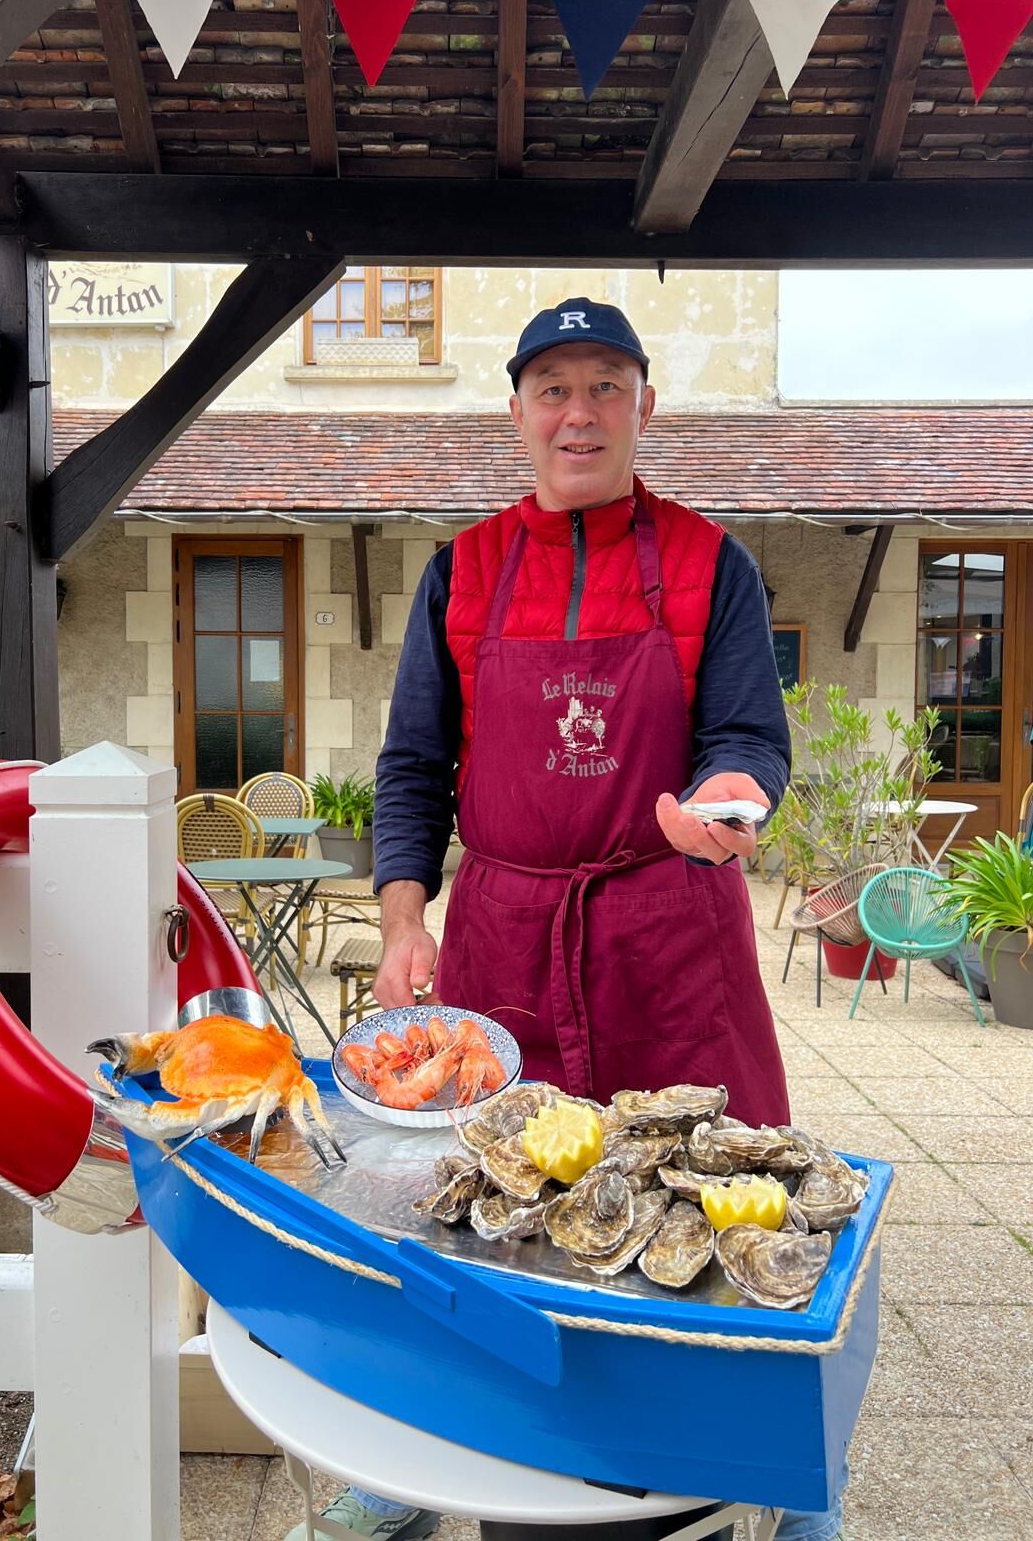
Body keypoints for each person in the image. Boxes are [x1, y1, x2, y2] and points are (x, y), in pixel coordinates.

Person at [285, 299, 845, 1541]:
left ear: (647, 405)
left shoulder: (714, 562)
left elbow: (750, 737)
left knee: (729, 1194)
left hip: (668, 926)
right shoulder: (464, 568)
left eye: (606, 384)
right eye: (553, 387)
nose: (579, 411)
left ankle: (783, 1472)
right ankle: (430, 1449)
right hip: (506, 928)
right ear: (518, 412)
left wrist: (728, 801)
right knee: (475, 1197)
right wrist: (404, 916)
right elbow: (413, 763)